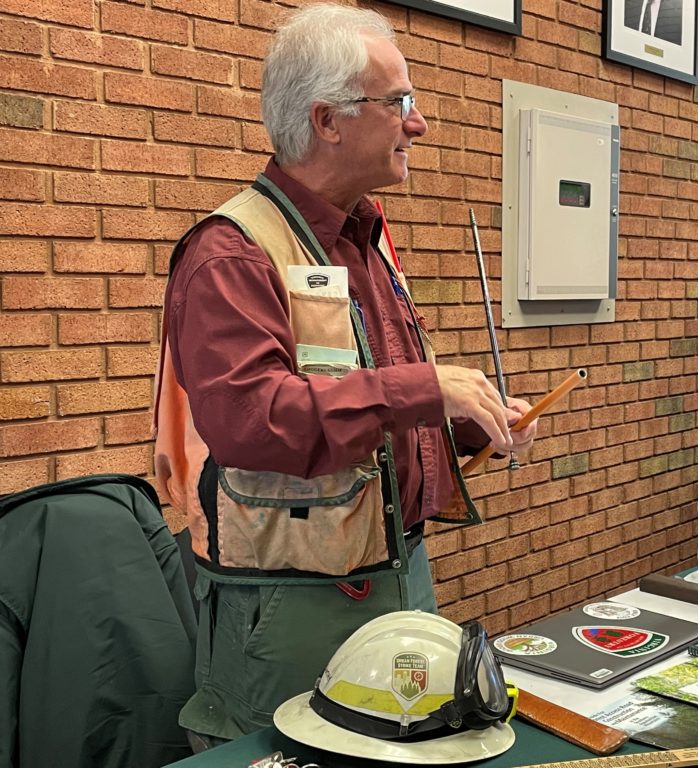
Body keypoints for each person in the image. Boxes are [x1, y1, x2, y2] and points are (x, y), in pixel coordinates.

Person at [153, 3, 537, 746]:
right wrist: (428, 387)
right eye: (400, 103)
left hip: (400, 577)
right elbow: (251, 419)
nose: (417, 124)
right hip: (293, 607)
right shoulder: (232, 253)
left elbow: (367, 409)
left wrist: (468, 420)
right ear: (328, 121)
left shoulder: (365, 237)